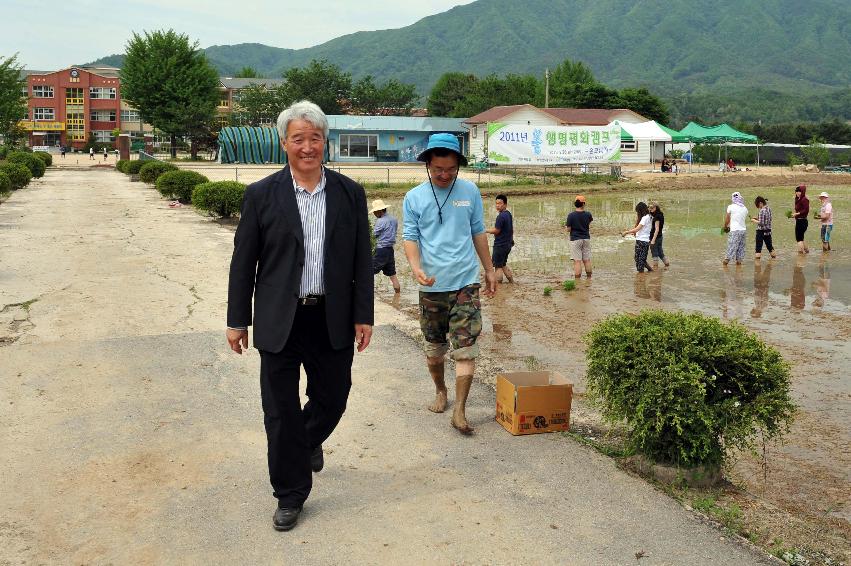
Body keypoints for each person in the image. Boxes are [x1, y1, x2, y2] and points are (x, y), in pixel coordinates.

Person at [226, 100, 373, 532]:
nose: (307, 147)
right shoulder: (261, 195)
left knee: (334, 397)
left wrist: (363, 313)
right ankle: (290, 494)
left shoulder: (349, 193)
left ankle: (306, 441)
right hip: (278, 318)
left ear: (325, 142)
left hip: (331, 315)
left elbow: (361, 260)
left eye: (314, 138)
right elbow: (243, 263)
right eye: (298, 139)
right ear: (284, 142)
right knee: (279, 410)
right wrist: (238, 320)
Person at [402, 133, 497, 435]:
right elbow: (410, 237)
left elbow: (478, 232)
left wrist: (490, 269)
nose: (444, 175)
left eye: (450, 170)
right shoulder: (414, 197)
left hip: (465, 283)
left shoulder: (469, 191)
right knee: (434, 348)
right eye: (438, 170)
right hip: (431, 286)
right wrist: (416, 268)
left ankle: (460, 411)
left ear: (458, 165)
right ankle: (441, 390)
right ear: (427, 164)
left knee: (466, 347)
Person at [370, 198, 401, 293]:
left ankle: (366, 293)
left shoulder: (381, 221)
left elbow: (374, 235)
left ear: (379, 211)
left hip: (381, 250)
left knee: (368, 272)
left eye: (375, 212)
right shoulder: (394, 219)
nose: (374, 214)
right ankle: (398, 294)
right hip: (390, 250)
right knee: (392, 274)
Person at [486, 194, 515, 283]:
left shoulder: (501, 217)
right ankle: (512, 282)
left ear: (505, 204)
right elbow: (511, 230)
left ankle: (499, 286)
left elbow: (496, 230)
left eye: (500, 203)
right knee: (503, 265)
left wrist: (485, 230)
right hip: (507, 245)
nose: (498, 205)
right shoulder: (508, 214)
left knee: (498, 266)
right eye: (496, 204)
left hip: (500, 245)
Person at [565, 194, 592, 279]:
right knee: (586, 260)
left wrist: (567, 227)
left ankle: (577, 281)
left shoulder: (571, 215)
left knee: (577, 261)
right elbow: (589, 223)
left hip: (576, 239)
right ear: (583, 204)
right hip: (586, 238)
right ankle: (589, 278)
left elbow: (568, 229)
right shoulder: (588, 214)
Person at [621, 202, 654, 272]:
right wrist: (637, 233)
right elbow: (645, 228)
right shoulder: (650, 216)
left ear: (640, 211)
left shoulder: (645, 218)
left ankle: (641, 278)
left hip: (643, 241)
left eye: (638, 212)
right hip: (642, 240)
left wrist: (626, 232)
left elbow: (637, 229)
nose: (637, 214)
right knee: (639, 259)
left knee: (640, 261)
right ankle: (649, 271)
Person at [723, 192, 748, 266]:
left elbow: (728, 218)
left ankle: (725, 263)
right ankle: (738, 264)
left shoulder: (730, 207)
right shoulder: (745, 208)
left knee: (731, 246)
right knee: (741, 247)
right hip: (743, 230)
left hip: (734, 230)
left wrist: (725, 226)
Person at [648, 202, 669, 269]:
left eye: (651, 208)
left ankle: (655, 269)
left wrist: (653, 240)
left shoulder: (657, 217)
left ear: (656, 208)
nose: (650, 209)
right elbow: (650, 213)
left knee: (654, 254)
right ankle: (667, 264)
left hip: (655, 237)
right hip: (660, 237)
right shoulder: (660, 214)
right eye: (649, 207)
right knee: (660, 252)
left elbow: (657, 229)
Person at [792, 185, 810, 254]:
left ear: (803, 191)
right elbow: (799, 211)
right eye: (796, 191)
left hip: (802, 221)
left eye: (799, 191)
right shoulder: (798, 199)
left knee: (798, 238)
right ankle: (806, 251)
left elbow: (806, 210)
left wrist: (797, 214)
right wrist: (794, 215)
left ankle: (801, 254)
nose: (798, 193)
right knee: (801, 238)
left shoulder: (804, 199)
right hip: (799, 220)